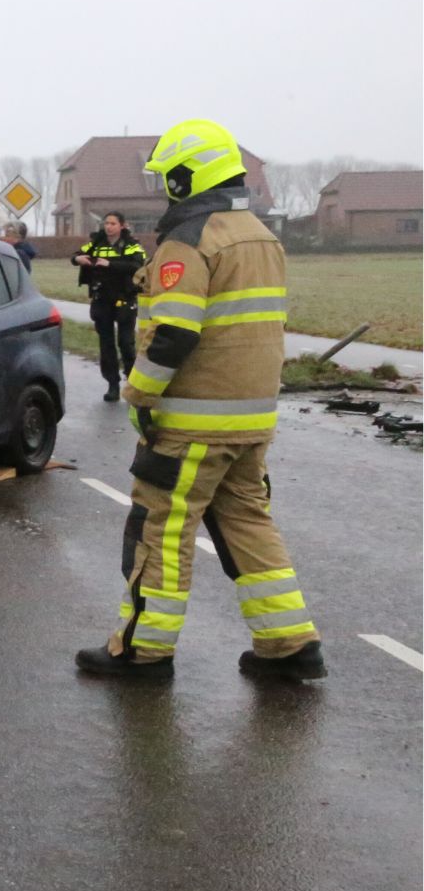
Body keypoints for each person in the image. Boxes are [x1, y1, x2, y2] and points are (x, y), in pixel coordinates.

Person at [76, 118, 323, 682]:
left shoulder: (189, 240)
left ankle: (142, 652)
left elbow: (174, 334)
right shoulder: (262, 236)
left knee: (159, 530)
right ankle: (289, 644)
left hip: (191, 425)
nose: (165, 188)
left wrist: (138, 392)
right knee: (247, 523)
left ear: (188, 179)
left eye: (169, 178)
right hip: (252, 420)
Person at [72, 211, 149, 402]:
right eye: (106, 223)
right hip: (102, 299)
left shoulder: (132, 245)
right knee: (106, 344)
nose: (108, 227)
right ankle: (112, 384)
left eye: (113, 223)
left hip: (124, 298)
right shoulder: (96, 243)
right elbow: (76, 254)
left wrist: (110, 264)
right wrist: (77, 259)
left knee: (126, 342)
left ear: (122, 225)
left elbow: (137, 265)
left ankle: (132, 383)